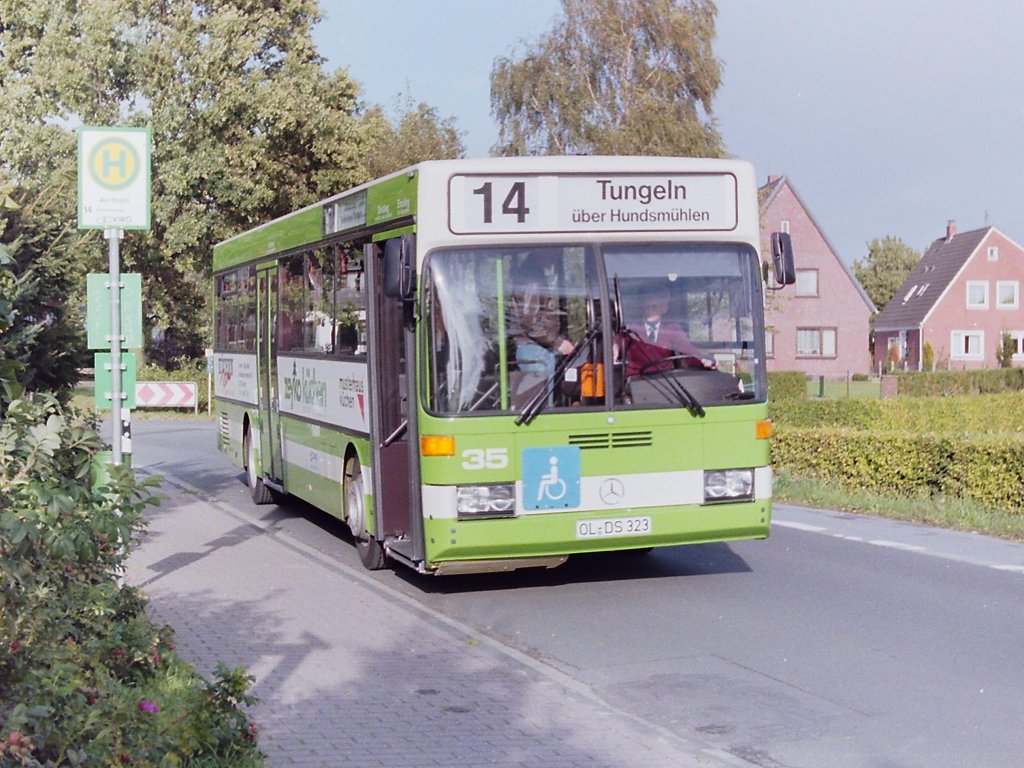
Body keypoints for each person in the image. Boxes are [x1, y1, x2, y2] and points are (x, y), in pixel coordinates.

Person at [508, 251, 575, 386]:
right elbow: (530, 321)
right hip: (535, 351)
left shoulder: (532, 274)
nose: (557, 259)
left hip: (535, 349)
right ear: (544, 252)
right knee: (542, 403)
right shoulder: (531, 278)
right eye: (556, 253)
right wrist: (558, 342)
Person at [622, 286, 711, 376]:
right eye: (647, 307)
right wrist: (615, 349)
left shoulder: (671, 329)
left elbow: (687, 349)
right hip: (635, 381)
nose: (650, 310)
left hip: (664, 381)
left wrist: (703, 360)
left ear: (664, 308)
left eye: (654, 307)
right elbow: (617, 344)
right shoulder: (632, 328)